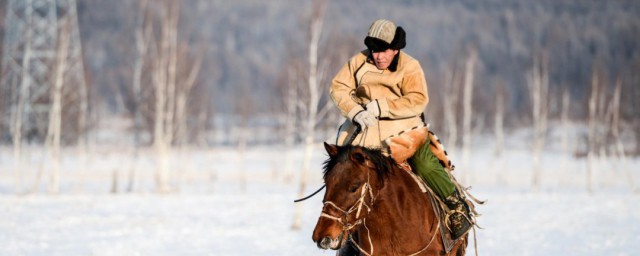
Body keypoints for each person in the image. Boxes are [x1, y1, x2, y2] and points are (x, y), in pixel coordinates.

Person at [329, 19, 472, 249]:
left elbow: (418, 99)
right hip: (364, 132)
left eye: (384, 51)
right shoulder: (358, 61)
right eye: (375, 51)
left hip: (402, 129)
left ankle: (456, 207)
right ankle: (340, 227)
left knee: (424, 164)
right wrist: (355, 111)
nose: (379, 57)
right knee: (343, 174)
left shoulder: (410, 66)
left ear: (395, 49)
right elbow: (338, 87)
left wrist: (383, 107)